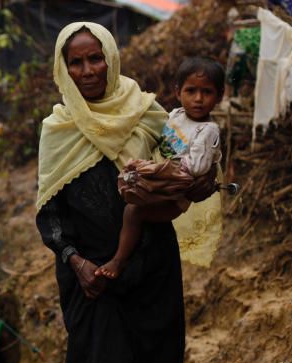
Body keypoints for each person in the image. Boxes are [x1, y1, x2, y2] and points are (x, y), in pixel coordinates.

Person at [35, 22, 215, 363]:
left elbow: (185, 169)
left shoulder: (150, 115)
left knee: (156, 359)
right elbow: (48, 213)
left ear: (111, 59)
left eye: (96, 58)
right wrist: (76, 263)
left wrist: (199, 183)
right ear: (63, 68)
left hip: (151, 261)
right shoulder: (57, 131)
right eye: (77, 61)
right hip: (90, 275)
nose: (88, 69)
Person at [95, 58, 224, 280]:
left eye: (207, 92)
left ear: (219, 96)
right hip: (161, 179)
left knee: (133, 211)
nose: (198, 99)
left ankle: (118, 261)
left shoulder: (208, 130)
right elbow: (157, 138)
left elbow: (196, 168)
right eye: (191, 91)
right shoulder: (175, 116)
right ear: (177, 92)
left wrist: (158, 169)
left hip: (174, 194)